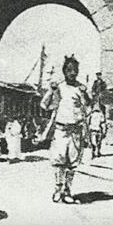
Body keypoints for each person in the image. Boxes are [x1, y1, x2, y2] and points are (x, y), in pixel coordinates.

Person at [41, 55, 91, 203]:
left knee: (72, 162)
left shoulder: (80, 89)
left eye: (75, 70)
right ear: (64, 71)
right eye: (69, 70)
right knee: (59, 160)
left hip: (75, 131)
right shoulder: (59, 88)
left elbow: (88, 107)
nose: (72, 73)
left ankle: (67, 191)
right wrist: (51, 91)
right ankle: (58, 190)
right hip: (61, 130)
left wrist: (85, 94)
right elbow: (44, 105)